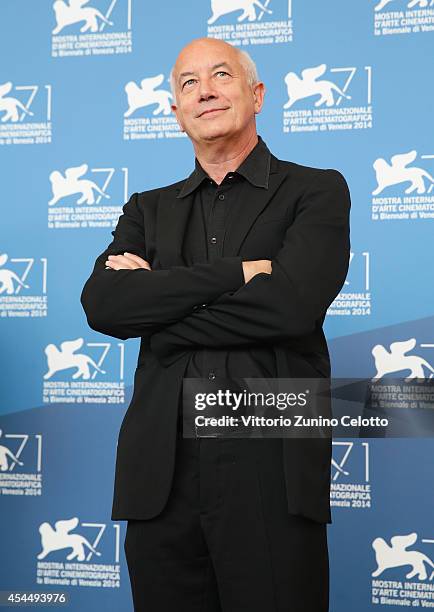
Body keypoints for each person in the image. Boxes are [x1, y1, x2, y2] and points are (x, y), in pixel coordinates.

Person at [80, 36, 351, 612]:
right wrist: (238, 274)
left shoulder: (316, 190)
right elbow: (105, 307)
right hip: (161, 474)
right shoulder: (144, 209)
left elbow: (291, 307)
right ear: (176, 113)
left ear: (255, 94)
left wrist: (162, 313)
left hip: (272, 464)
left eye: (221, 75)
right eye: (187, 84)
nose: (204, 91)